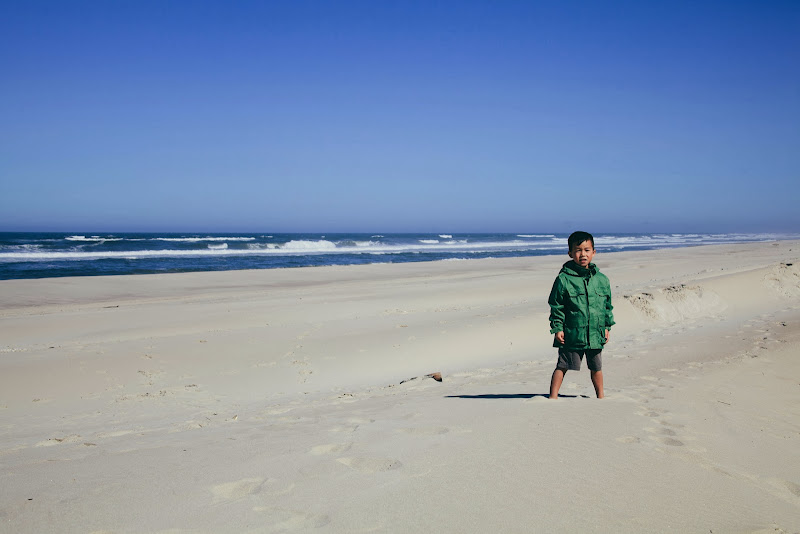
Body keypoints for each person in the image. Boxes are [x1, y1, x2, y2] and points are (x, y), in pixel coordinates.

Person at [548, 231, 615, 399]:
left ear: (594, 252)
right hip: (572, 333)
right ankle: (552, 397)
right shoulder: (563, 279)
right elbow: (556, 305)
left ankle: (601, 397)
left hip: (595, 333)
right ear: (570, 253)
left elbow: (607, 306)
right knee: (563, 365)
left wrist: (606, 327)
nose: (582, 254)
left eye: (587, 250)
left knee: (596, 367)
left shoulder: (602, 279)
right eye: (578, 250)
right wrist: (557, 328)